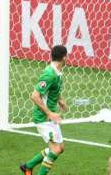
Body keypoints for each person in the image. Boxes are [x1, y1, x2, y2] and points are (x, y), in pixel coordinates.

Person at [20, 45, 68, 175]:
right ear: (64, 57)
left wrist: (60, 100)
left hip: (51, 117)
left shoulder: (56, 72)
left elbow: (53, 89)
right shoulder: (49, 74)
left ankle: (27, 166)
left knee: (60, 148)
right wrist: (49, 113)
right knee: (55, 150)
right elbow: (34, 96)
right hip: (44, 117)